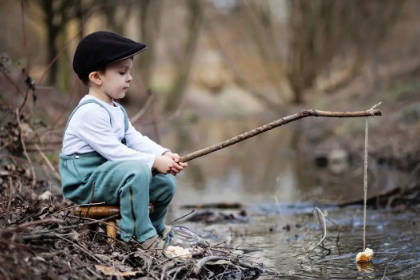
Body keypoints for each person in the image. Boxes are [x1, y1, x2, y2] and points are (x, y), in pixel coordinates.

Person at [59, 31, 187, 250]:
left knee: (165, 183)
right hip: (85, 183)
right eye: (121, 72)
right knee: (137, 171)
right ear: (96, 77)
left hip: (107, 176)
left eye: (129, 72)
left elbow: (135, 139)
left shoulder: (116, 109)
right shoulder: (89, 111)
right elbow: (115, 152)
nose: (130, 78)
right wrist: (153, 162)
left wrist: (163, 154)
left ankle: (155, 228)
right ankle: (139, 235)